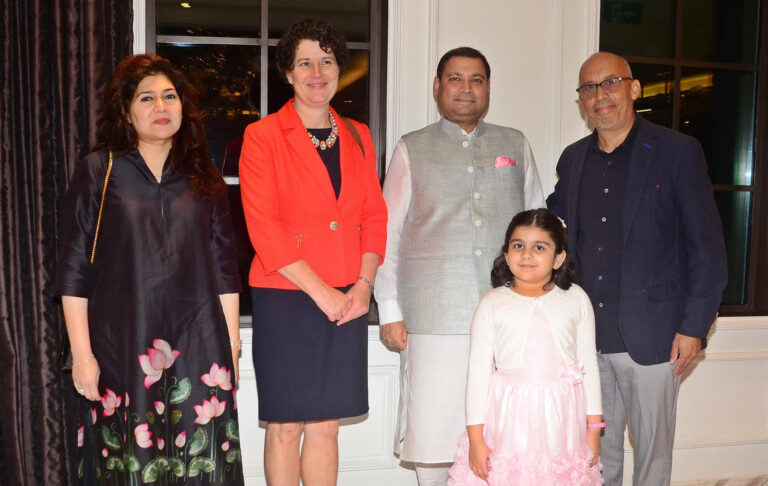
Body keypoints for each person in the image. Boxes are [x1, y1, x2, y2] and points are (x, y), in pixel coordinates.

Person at [54, 54, 244, 485]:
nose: (161, 107)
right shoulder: (98, 171)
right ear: (126, 111)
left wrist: (231, 344)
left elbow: (224, 268)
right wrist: (82, 356)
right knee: (128, 465)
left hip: (200, 343)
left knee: (201, 462)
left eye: (170, 97)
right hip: (121, 344)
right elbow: (73, 273)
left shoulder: (204, 176)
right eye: (147, 98)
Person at [546, 52, 728, 486]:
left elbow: (706, 247)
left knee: (652, 459)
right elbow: (553, 232)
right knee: (594, 458)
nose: (599, 96)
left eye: (610, 83)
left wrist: (695, 326)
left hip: (656, 337)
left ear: (633, 88)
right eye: (588, 88)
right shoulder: (573, 160)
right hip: (587, 340)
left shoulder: (677, 152)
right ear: (580, 101)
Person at [375, 46, 545, 485]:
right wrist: (390, 310)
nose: (466, 89)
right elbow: (387, 233)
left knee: (504, 430)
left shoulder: (515, 143)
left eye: (477, 79)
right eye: (455, 78)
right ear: (437, 87)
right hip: (433, 316)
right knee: (433, 431)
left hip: (509, 315)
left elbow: (539, 226)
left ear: (488, 88)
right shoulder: (412, 148)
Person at [238, 19, 387, 486]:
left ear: (340, 69)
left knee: (326, 424)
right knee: (285, 425)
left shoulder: (359, 134)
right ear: (288, 72)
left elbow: (373, 218)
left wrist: (363, 287)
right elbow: (265, 229)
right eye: (305, 62)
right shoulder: (262, 136)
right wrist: (324, 293)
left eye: (326, 61)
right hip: (287, 296)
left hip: (348, 297)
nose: (316, 71)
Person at [447, 208, 604, 485]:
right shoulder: (492, 303)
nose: (527, 254)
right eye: (518, 246)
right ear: (506, 254)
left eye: (539, 247)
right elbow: (478, 375)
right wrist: (476, 438)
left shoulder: (576, 299)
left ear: (559, 258)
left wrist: (593, 428)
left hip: (562, 424)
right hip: (509, 423)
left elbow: (589, 365)